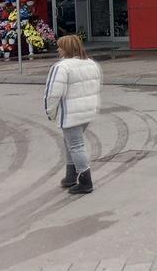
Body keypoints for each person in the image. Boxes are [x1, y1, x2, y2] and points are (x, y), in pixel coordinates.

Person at [44, 35, 103, 195]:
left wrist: (50, 112)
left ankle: (85, 180)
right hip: (87, 112)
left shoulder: (62, 67)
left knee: (76, 145)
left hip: (71, 113)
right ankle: (71, 175)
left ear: (67, 49)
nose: (58, 49)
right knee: (70, 142)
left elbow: (53, 94)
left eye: (60, 47)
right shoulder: (91, 64)